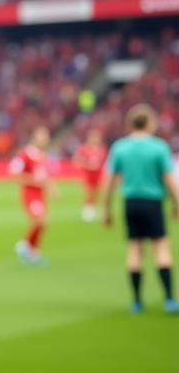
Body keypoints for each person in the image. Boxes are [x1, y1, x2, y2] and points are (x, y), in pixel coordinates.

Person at [103, 104, 179, 314]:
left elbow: (109, 181)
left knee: (134, 249)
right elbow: (170, 180)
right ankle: (170, 299)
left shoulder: (120, 147)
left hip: (131, 202)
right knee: (161, 249)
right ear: (149, 122)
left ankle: (137, 301)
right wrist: (177, 204)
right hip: (153, 202)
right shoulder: (159, 147)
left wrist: (106, 208)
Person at [9, 125, 54, 266]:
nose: (45, 139)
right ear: (34, 138)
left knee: (43, 223)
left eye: (46, 136)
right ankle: (24, 246)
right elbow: (14, 172)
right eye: (42, 136)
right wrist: (34, 181)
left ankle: (33, 252)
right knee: (40, 221)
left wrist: (51, 187)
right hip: (30, 193)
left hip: (40, 194)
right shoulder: (25, 154)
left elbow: (43, 176)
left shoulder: (42, 156)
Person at [75, 127, 107, 222]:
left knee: (103, 193)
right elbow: (77, 161)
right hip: (88, 174)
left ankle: (104, 211)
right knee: (90, 193)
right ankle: (88, 212)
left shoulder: (102, 149)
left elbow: (105, 162)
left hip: (99, 174)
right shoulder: (84, 149)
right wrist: (88, 165)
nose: (96, 139)